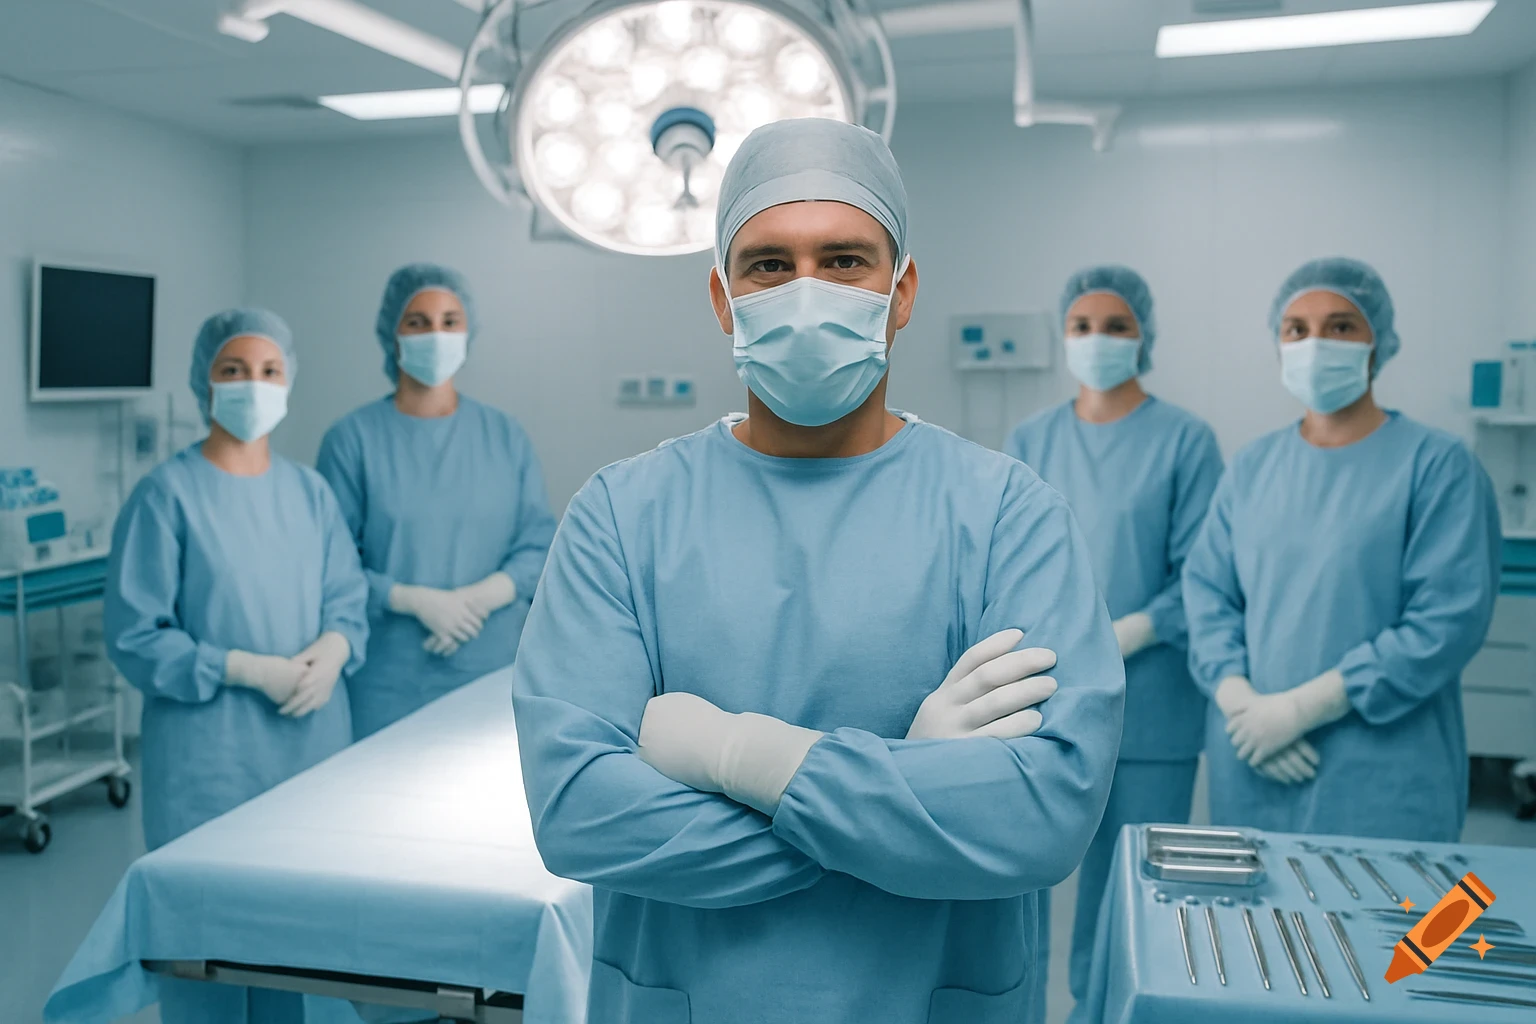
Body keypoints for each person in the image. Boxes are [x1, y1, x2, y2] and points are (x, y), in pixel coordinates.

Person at [511, 117, 1125, 1024]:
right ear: (722, 298)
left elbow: (1043, 817)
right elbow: (578, 811)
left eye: (844, 261)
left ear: (901, 291)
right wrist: (911, 790)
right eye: (767, 265)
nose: (806, 291)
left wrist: (745, 758)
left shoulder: (1006, 515)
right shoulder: (621, 515)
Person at [104, 308, 368, 1022]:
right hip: (207, 766)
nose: (253, 384)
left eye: (269, 371)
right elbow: (136, 635)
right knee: (205, 953)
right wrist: (244, 669)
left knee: (288, 953)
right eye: (234, 371)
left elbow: (347, 596)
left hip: (307, 759)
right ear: (204, 383)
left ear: (289, 382)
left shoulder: (310, 493)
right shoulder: (167, 496)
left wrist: (337, 646)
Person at [1183, 257, 1501, 841]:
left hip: (1383, 773)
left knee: (1402, 933)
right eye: (1296, 329)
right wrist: (1241, 704)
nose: (1315, 343)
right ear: (1279, 346)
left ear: (1377, 343)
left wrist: (1302, 709)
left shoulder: (1437, 466)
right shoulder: (1252, 467)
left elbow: (1446, 621)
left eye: (1341, 326)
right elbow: (1207, 593)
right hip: (1253, 761)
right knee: (1257, 931)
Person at [1005, 265, 1223, 1010]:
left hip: (1152, 707)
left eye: (1116, 326)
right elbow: (1008, 565)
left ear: (1145, 337)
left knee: (1139, 888)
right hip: (1047, 697)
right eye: (1082, 326)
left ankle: (1121, 1012)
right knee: (1024, 880)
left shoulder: (1186, 441)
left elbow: (1205, 575)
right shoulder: (1031, 438)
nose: (1098, 339)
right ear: (1064, 335)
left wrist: (1125, 631)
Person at [317, 264, 556, 740]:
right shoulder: (352, 440)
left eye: (450, 321)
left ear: (468, 332)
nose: (436, 333)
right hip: (387, 676)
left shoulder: (504, 435)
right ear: (393, 333)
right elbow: (330, 564)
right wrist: (411, 599)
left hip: (491, 667)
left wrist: (479, 598)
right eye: (418, 322)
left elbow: (537, 543)